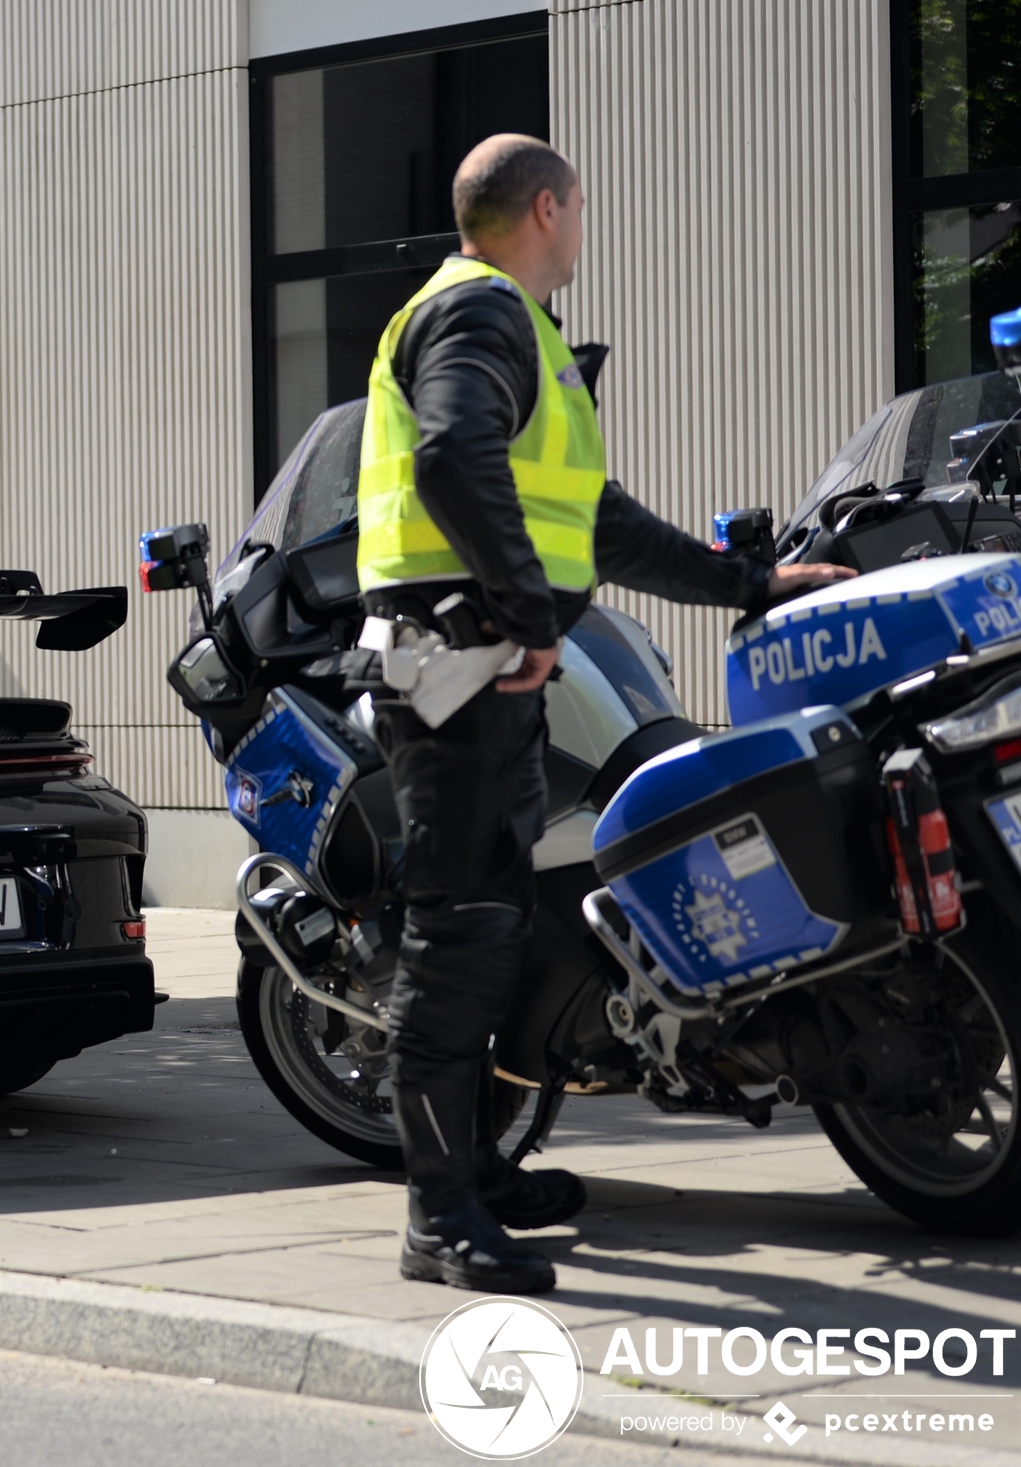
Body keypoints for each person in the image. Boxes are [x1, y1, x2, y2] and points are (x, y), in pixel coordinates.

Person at [353, 134, 853, 1293]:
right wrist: (529, 618)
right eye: (577, 209)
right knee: (458, 937)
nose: (581, 227)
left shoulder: (519, 336)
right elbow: (446, 457)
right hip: (462, 677)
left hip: (482, 680)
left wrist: (751, 583)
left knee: (497, 929)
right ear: (544, 207)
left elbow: (599, 523)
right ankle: (436, 1216)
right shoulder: (476, 317)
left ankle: (475, 1167)